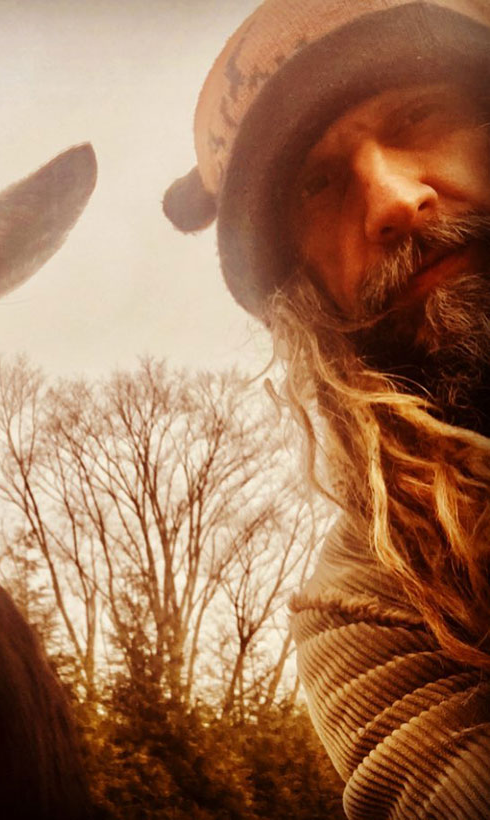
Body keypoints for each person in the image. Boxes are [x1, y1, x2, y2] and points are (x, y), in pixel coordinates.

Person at [163, 1, 490, 817]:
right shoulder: (367, 613)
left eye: (419, 116)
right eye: (319, 183)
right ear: (307, 294)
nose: (392, 201)